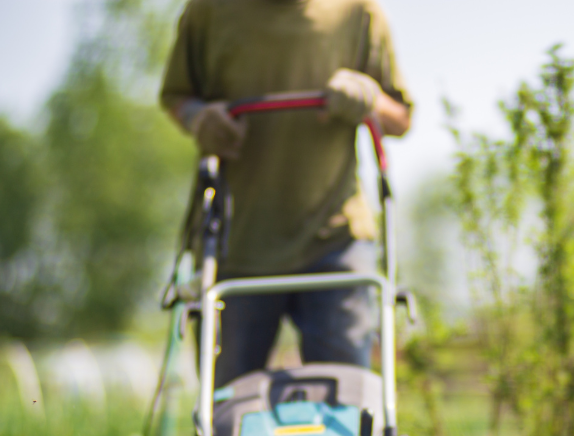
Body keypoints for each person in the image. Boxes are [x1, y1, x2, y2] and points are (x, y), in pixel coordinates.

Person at [159, 0, 412, 387]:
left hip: (335, 241)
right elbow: (176, 96)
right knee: (226, 411)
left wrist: (368, 98)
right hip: (234, 245)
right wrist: (198, 117)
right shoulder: (208, 11)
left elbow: (400, 117)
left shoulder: (358, 11)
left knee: (347, 404)